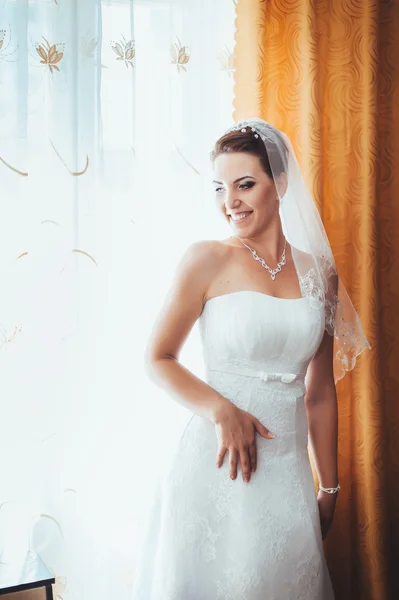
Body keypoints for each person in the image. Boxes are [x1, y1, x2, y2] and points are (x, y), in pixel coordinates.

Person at [131, 118, 371, 600]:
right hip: (214, 467)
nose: (230, 202)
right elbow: (157, 358)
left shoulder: (318, 274)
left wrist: (329, 488)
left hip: (288, 475)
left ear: (280, 184)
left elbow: (320, 394)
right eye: (220, 187)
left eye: (245, 185)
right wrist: (222, 411)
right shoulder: (206, 259)